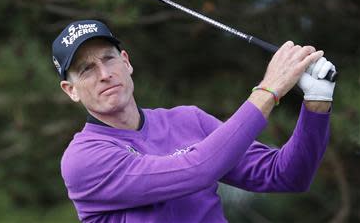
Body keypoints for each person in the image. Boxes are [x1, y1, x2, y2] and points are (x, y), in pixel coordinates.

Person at [52, 19, 336, 223]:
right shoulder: (83, 159)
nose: (104, 74)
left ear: (126, 62)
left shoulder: (188, 120)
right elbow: (197, 169)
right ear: (71, 90)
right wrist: (268, 90)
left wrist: (317, 102)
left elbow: (286, 175)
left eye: (108, 59)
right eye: (87, 69)